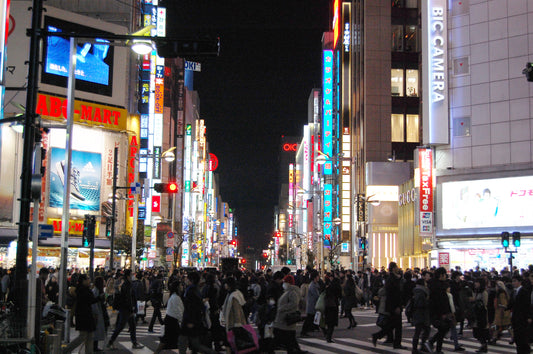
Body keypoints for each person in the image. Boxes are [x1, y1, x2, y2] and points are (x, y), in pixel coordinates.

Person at [179, 271, 218, 354]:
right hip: (192, 320)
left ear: (191, 280)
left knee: (187, 342)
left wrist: (190, 321)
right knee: (194, 344)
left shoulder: (191, 291)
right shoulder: (195, 289)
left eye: (187, 278)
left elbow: (193, 307)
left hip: (189, 320)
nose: (186, 280)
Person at [107, 269, 144, 350]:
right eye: (131, 274)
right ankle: (110, 342)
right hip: (126, 309)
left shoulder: (127, 284)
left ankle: (134, 342)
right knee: (121, 326)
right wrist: (131, 309)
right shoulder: (127, 285)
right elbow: (128, 298)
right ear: (128, 276)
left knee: (132, 325)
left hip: (126, 308)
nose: (132, 276)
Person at [62, 274, 97, 353]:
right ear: (83, 280)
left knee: (89, 336)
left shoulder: (85, 289)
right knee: (83, 336)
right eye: (88, 279)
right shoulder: (81, 290)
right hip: (83, 315)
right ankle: (66, 349)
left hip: (86, 315)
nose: (89, 280)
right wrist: (98, 298)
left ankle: (89, 352)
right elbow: (89, 300)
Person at [273, 275, 306, 353]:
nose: (283, 283)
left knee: (286, 337)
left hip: (286, 318)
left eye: (285, 282)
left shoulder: (292, 292)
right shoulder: (287, 291)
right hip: (283, 319)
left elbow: (294, 303)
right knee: (289, 338)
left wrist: (282, 308)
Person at [427, 267, 452, 354]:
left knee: (443, 329)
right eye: (445, 274)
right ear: (441, 275)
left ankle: (435, 347)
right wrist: (443, 313)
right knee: (443, 328)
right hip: (438, 313)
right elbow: (440, 301)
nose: (446, 276)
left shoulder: (434, 284)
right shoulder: (438, 286)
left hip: (436, 312)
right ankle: (434, 345)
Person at [155, 280, 184, 353]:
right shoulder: (175, 297)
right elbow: (178, 311)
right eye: (180, 285)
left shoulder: (174, 296)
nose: (182, 287)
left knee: (168, 340)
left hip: (171, 320)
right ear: (177, 287)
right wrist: (183, 320)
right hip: (172, 321)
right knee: (172, 340)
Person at [385, 262, 405, 349]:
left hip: (391, 305)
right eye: (396, 267)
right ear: (393, 268)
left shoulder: (391, 278)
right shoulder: (393, 279)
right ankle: (397, 343)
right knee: (397, 325)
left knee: (392, 324)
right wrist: (397, 306)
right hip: (394, 305)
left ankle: (391, 340)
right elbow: (395, 294)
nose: (398, 268)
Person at [510, 274, 531, 354]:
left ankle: (525, 351)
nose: (513, 283)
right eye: (512, 281)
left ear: (520, 282)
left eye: (515, 281)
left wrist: (529, 316)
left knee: (523, 337)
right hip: (515, 318)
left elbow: (527, 305)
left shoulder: (524, 291)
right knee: (517, 337)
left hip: (522, 318)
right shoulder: (514, 292)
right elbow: (511, 303)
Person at [411, 278, 431, 354]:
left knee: (420, 330)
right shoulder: (421, 291)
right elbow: (420, 303)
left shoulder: (416, 290)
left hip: (417, 313)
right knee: (422, 330)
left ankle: (417, 347)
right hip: (421, 313)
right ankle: (417, 348)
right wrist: (427, 301)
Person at [92, 276, 110, 352]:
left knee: (99, 329)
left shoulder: (98, 290)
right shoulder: (95, 291)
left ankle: (95, 346)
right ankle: (94, 346)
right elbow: (94, 303)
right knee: (96, 330)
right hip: (98, 312)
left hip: (100, 311)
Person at [300, 270, 320, 337]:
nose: (319, 277)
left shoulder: (314, 284)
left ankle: (307, 330)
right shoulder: (312, 285)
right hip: (312, 304)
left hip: (312, 304)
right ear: (315, 277)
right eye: (318, 276)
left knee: (310, 318)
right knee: (309, 318)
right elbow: (316, 295)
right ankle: (303, 331)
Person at [471, 278, 489, 353]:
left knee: (481, 330)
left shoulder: (484, 292)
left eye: (477, 282)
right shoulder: (476, 291)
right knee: (476, 331)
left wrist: (476, 302)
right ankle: (483, 345)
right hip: (476, 313)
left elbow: (485, 304)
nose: (475, 284)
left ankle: (484, 346)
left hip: (482, 314)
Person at [323, 274, 342, 343]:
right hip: (333, 305)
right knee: (332, 322)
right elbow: (340, 295)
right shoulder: (336, 287)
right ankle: (329, 336)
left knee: (328, 321)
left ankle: (327, 334)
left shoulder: (328, 287)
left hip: (327, 305)